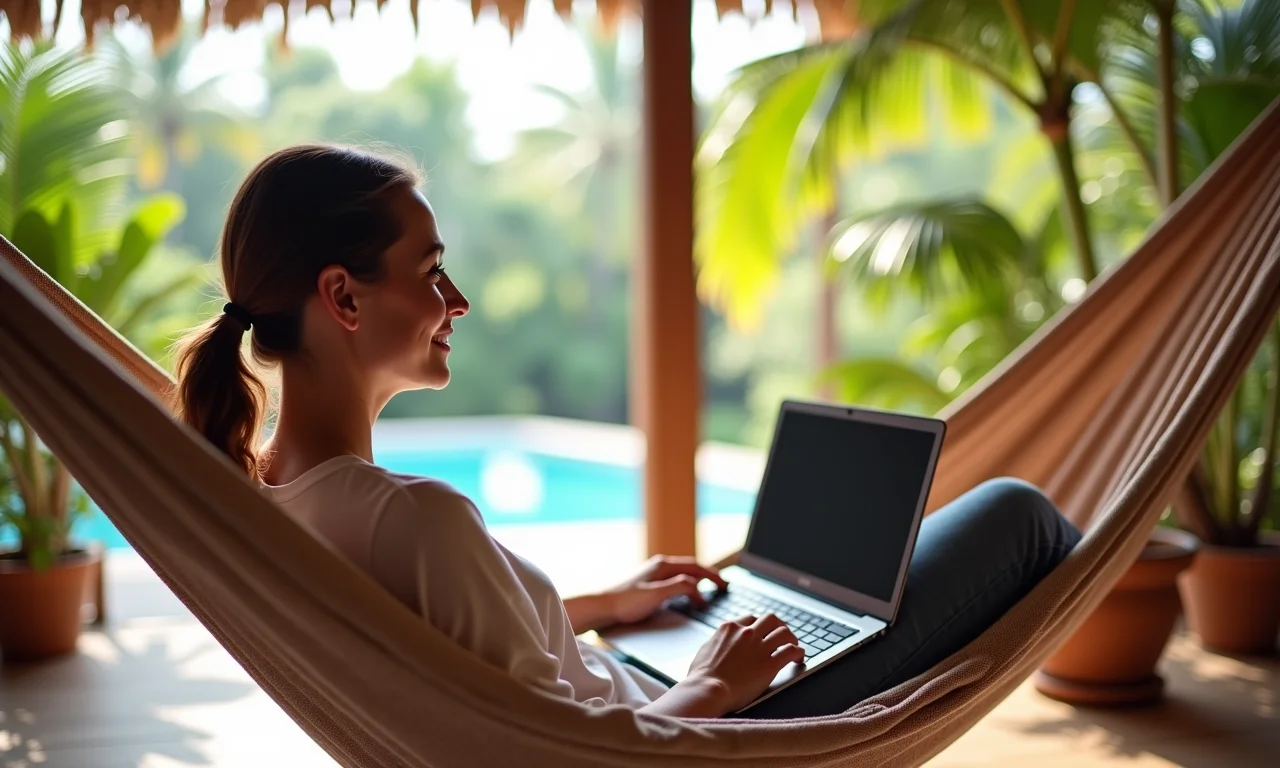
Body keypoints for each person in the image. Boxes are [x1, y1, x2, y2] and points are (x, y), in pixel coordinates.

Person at [174, 145, 1082, 720]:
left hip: (652, 694)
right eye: (431, 270)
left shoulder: (265, 493)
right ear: (342, 296)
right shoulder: (413, 519)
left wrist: (603, 607)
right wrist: (718, 684)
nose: (456, 301)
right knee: (1020, 514)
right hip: (707, 733)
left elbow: (461, 666)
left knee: (896, 569)